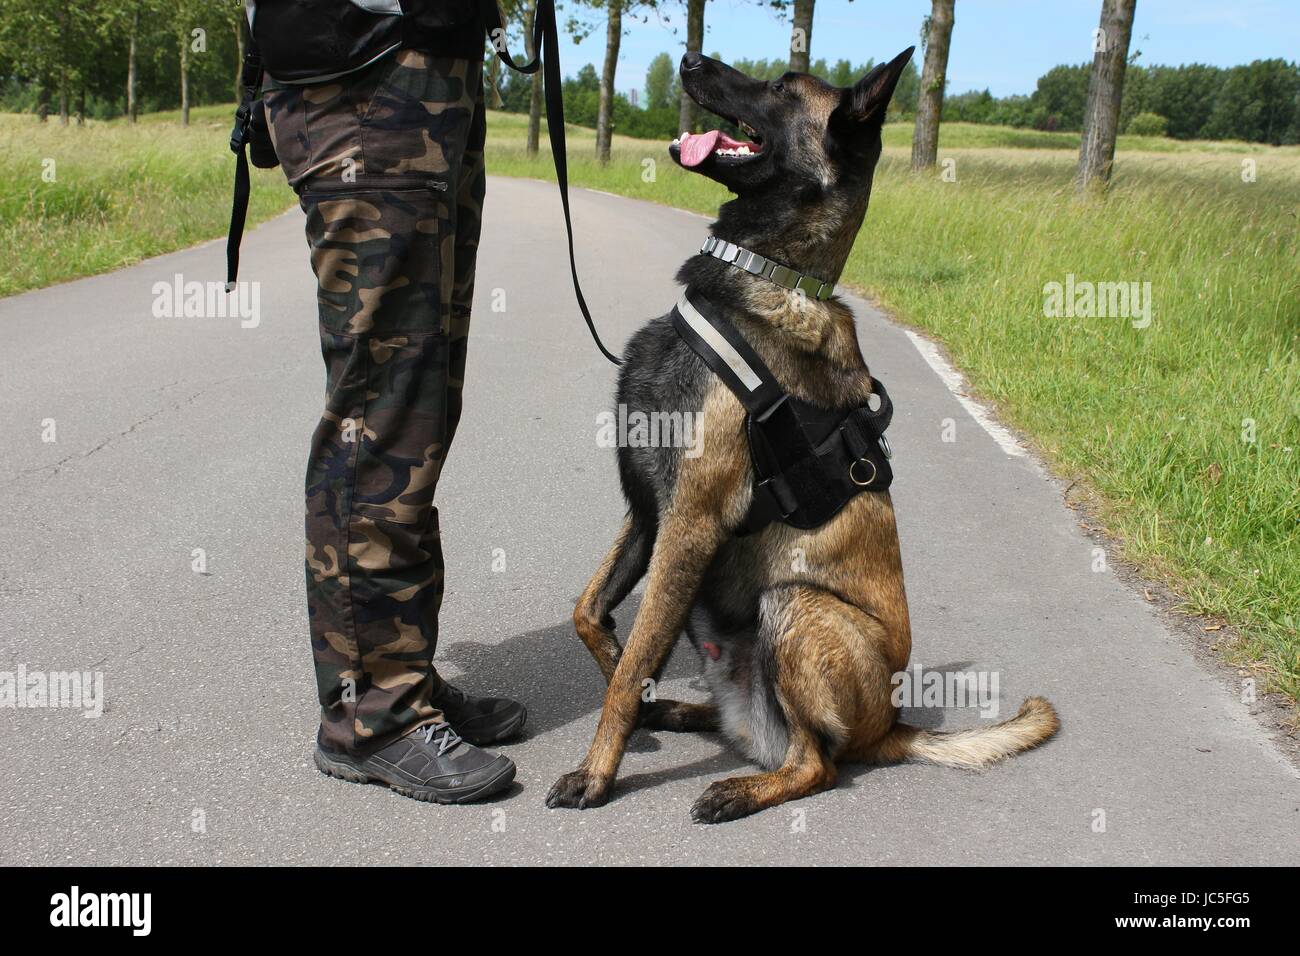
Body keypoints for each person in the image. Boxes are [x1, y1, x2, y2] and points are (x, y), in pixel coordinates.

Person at [258, 1, 526, 804]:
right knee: (382, 412)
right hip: (362, 77)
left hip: (424, 71)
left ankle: (399, 675)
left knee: (421, 412)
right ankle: (369, 715)